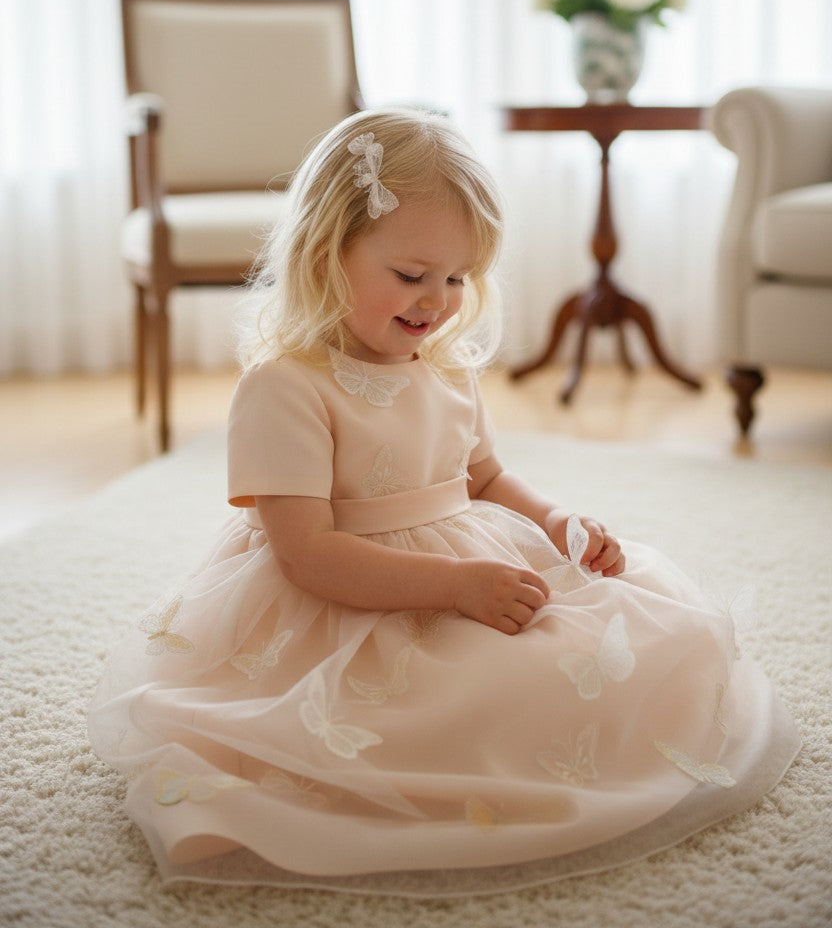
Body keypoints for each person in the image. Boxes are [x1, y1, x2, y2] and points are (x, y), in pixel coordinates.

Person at [88, 108, 799, 894]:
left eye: (458, 278)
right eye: (410, 275)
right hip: (347, 600)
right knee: (450, 709)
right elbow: (305, 554)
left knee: (640, 638)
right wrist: (457, 588)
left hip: (467, 561)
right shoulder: (284, 388)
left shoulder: (446, 369)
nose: (437, 301)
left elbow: (485, 478)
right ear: (326, 253)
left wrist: (555, 519)